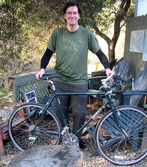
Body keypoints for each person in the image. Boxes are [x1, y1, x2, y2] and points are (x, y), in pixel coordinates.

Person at [36, 1, 113, 149]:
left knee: (79, 113)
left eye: (75, 13)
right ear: (65, 16)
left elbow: (99, 53)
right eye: (69, 13)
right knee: (60, 112)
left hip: (79, 81)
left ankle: (76, 138)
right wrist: (42, 68)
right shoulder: (57, 33)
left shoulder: (86, 34)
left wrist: (108, 68)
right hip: (61, 80)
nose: (72, 16)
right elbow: (47, 53)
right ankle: (63, 138)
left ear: (79, 16)